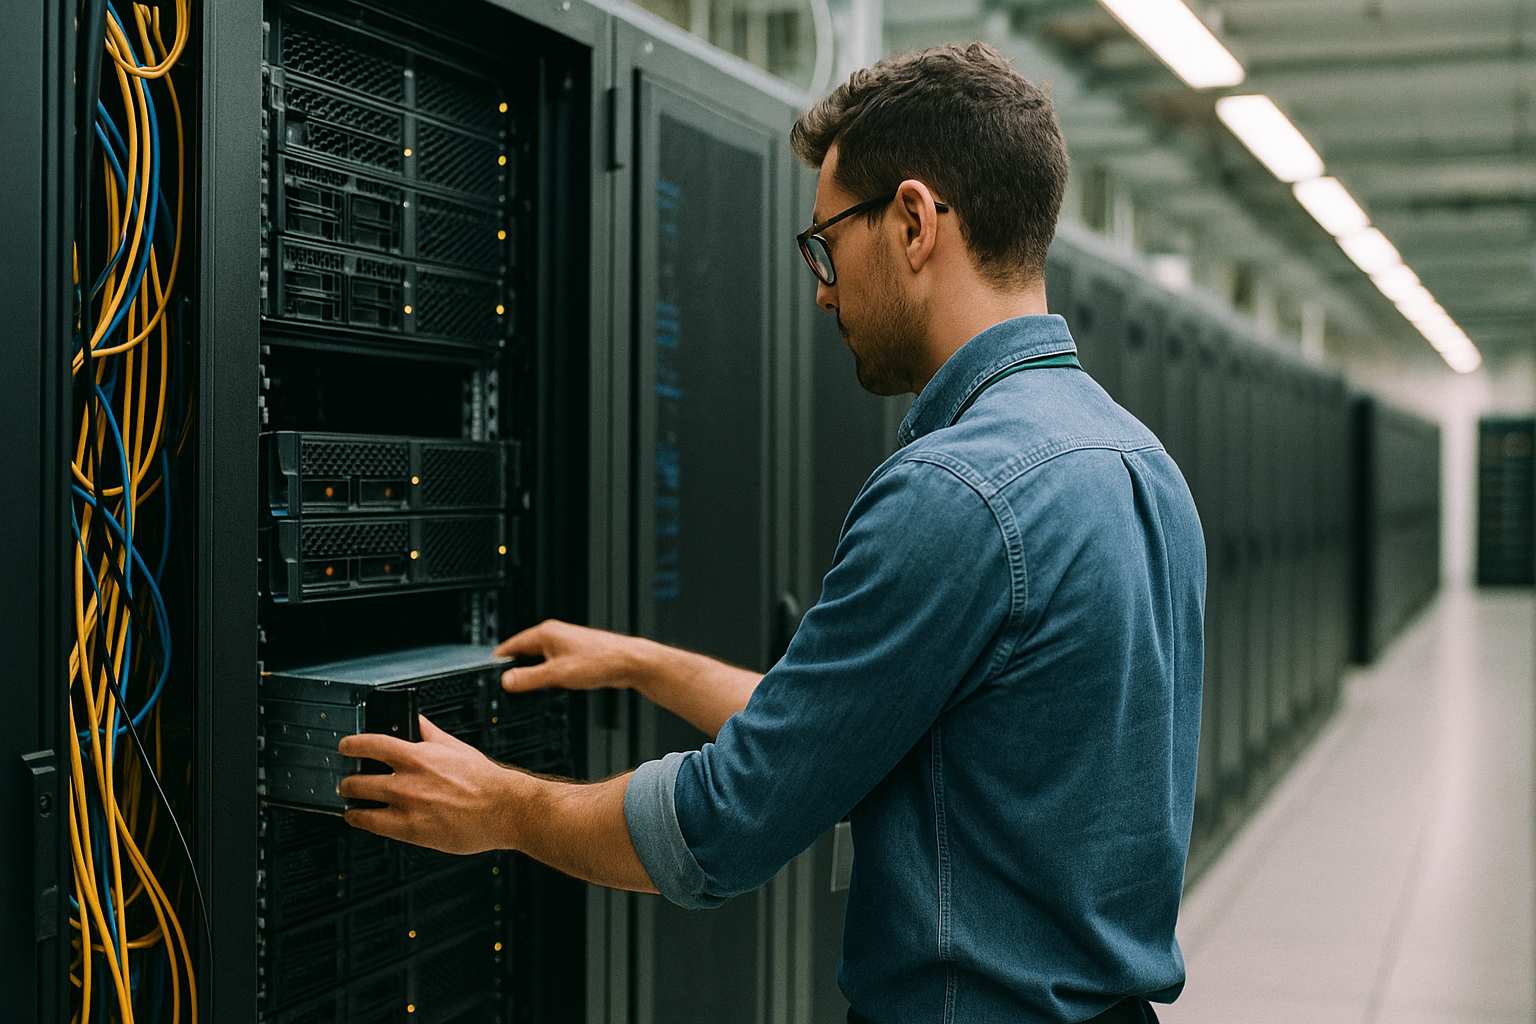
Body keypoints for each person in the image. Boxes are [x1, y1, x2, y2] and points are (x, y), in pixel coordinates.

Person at [339, 41, 1204, 1024]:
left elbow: (726, 825)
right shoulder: (1141, 463)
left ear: (914, 222)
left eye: (826, 243)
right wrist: (644, 663)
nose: (823, 288)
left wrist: (501, 806)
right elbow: (854, 731)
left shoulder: (953, 492)